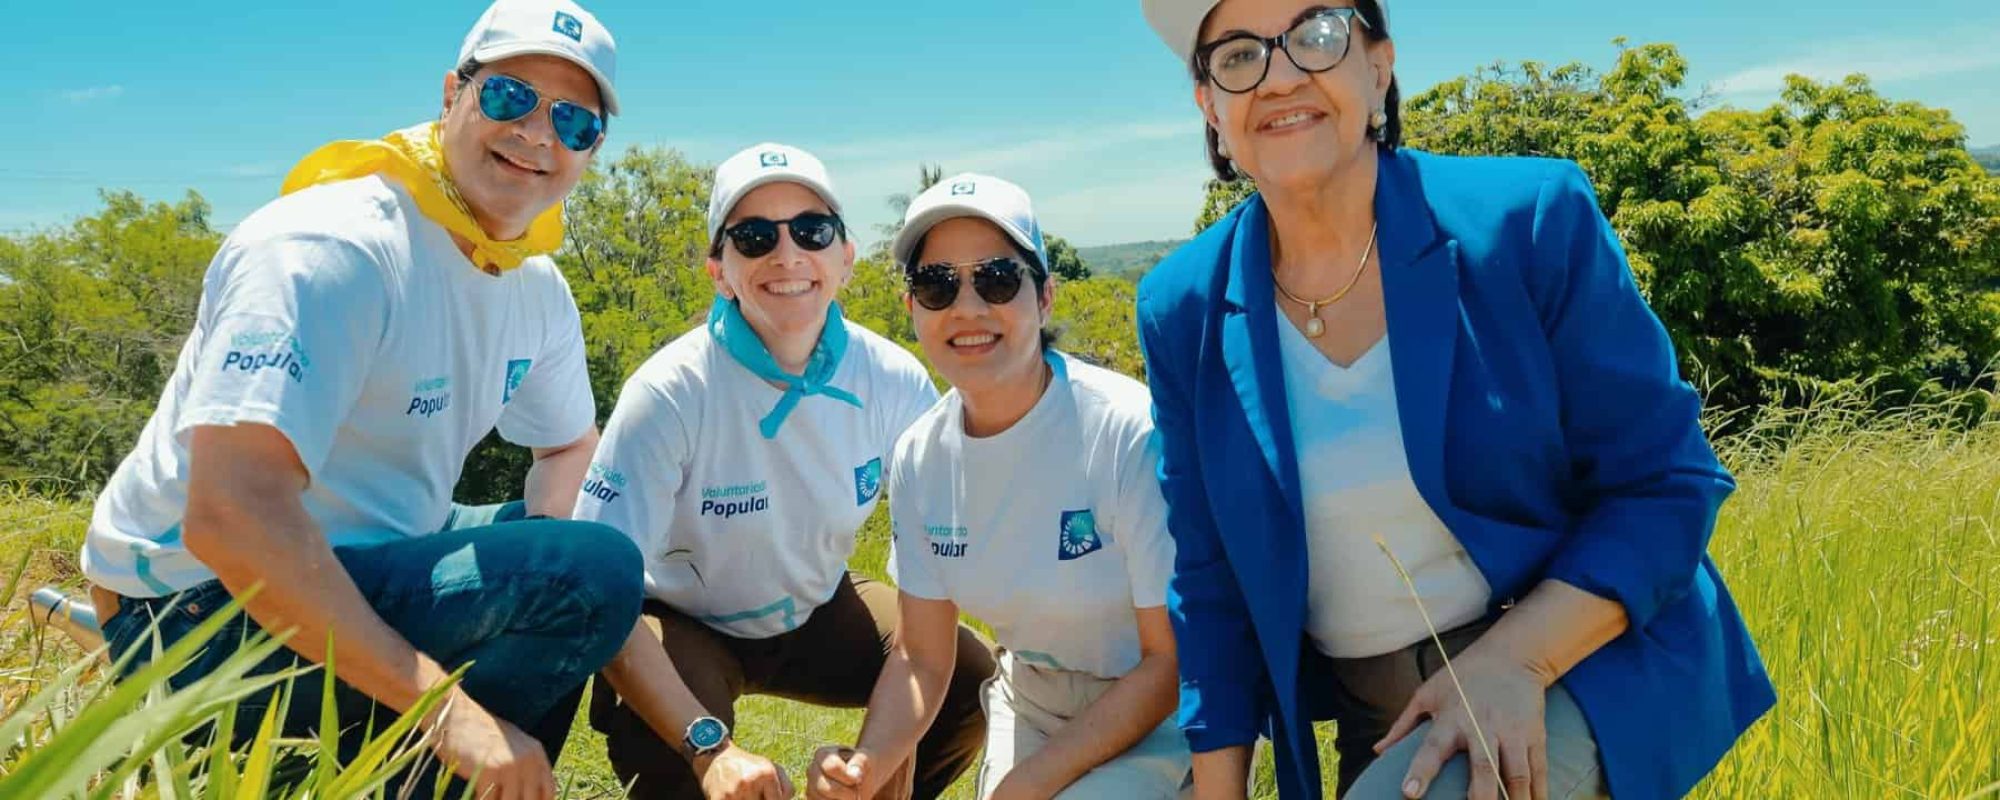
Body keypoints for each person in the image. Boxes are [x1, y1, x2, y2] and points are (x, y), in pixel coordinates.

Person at [1132, 1, 1777, 798]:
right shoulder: (1181, 305)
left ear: (1377, 68)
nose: (1281, 74)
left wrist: (1518, 657)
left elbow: (1666, 484)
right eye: (1238, 56)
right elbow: (1208, 581)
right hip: (1379, 717)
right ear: (1210, 107)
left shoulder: (1529, 219)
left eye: (1317, 35)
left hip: (1569, 658)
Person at [78, 1, 642, 798]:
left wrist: (544, 567)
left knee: (576, 551)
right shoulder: (331, 250)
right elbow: (230, 515)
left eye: (575, 122)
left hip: (368, 549)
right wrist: (448, 712)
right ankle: (411, 760)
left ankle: (421, 770)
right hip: (187, 610)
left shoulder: (533, 284)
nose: (538, 134)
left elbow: (566, 447)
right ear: (453, 94)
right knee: (585, 571)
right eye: (511, 97)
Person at [574, 144, 994, 800]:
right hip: (684, 617)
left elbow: (931, 596)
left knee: (971, 675)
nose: (787, 254)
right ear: (720, 271)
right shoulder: (670, 392)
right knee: (676, 761)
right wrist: (709, 750)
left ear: (845, 257)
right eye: (753, 236)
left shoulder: (891, 380)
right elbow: (602, 595)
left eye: (812, 230)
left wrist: (874, 765)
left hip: (817, 606)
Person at [806, 174, 1188, 800]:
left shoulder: (1123, 430)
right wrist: (866, 766)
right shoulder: (921, 457)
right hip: (1031, 695)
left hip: (1154, 707)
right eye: (936, 285)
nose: (967, 308)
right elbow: (922, 659)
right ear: (912, 309)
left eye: (997, 279)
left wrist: (1028, 784)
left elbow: (1167, 663)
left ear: (1044, 298)